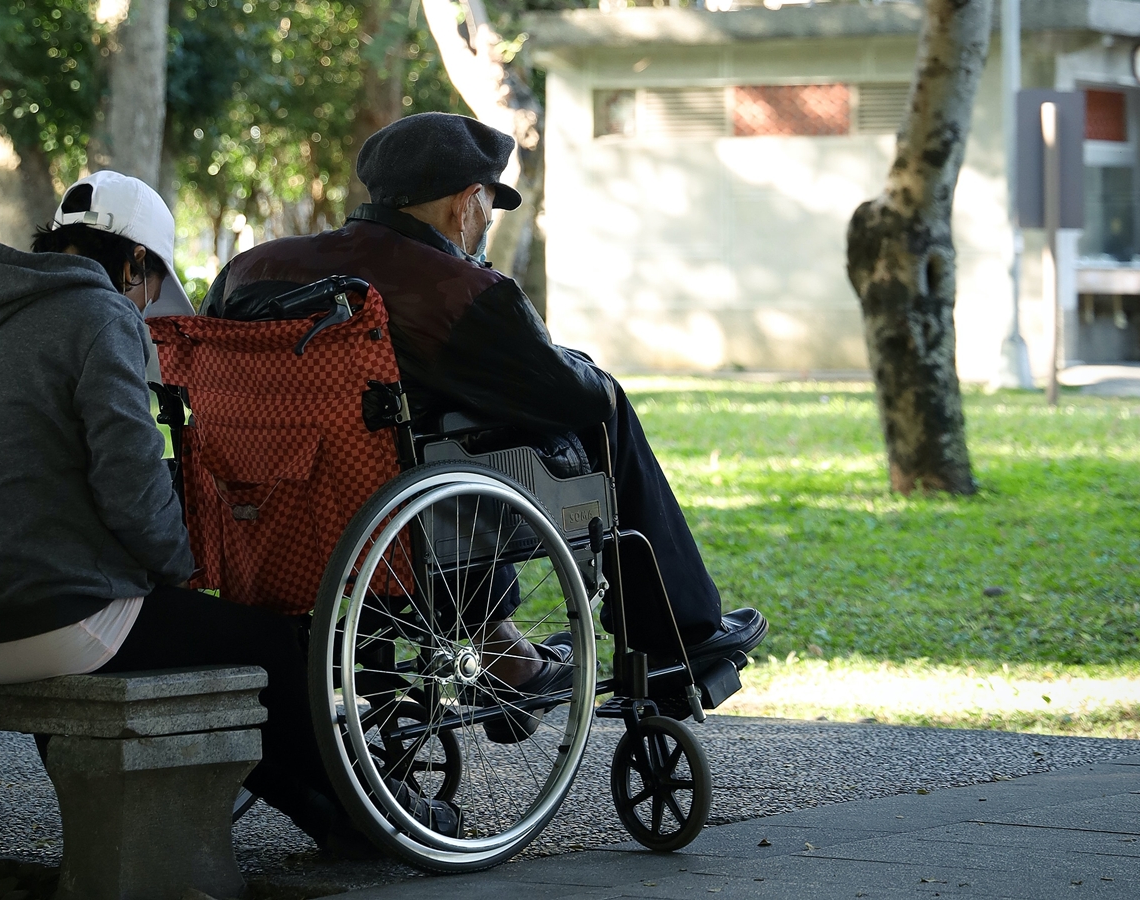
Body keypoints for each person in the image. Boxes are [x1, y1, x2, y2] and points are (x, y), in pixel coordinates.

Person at [201, 113, 769, 722]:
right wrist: (586, 371)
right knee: (605, 410)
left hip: (271, 506)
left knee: (423, 457)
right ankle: (679, 629)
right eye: (489, 211)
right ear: (468, 203)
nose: (485, 227)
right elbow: (568, 397)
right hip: (401, 510)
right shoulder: (457, 288)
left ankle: (505, 651)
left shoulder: (250, 270)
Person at [0, 170, 378, 855]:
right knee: (270, 646)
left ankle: (327, 818)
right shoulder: (100, 314)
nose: (146, 304)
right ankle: (365, 820)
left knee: (178, 640)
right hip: (42, 624)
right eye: (148, 286)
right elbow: (130, 482)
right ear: (136, 262)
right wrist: (180, 567)